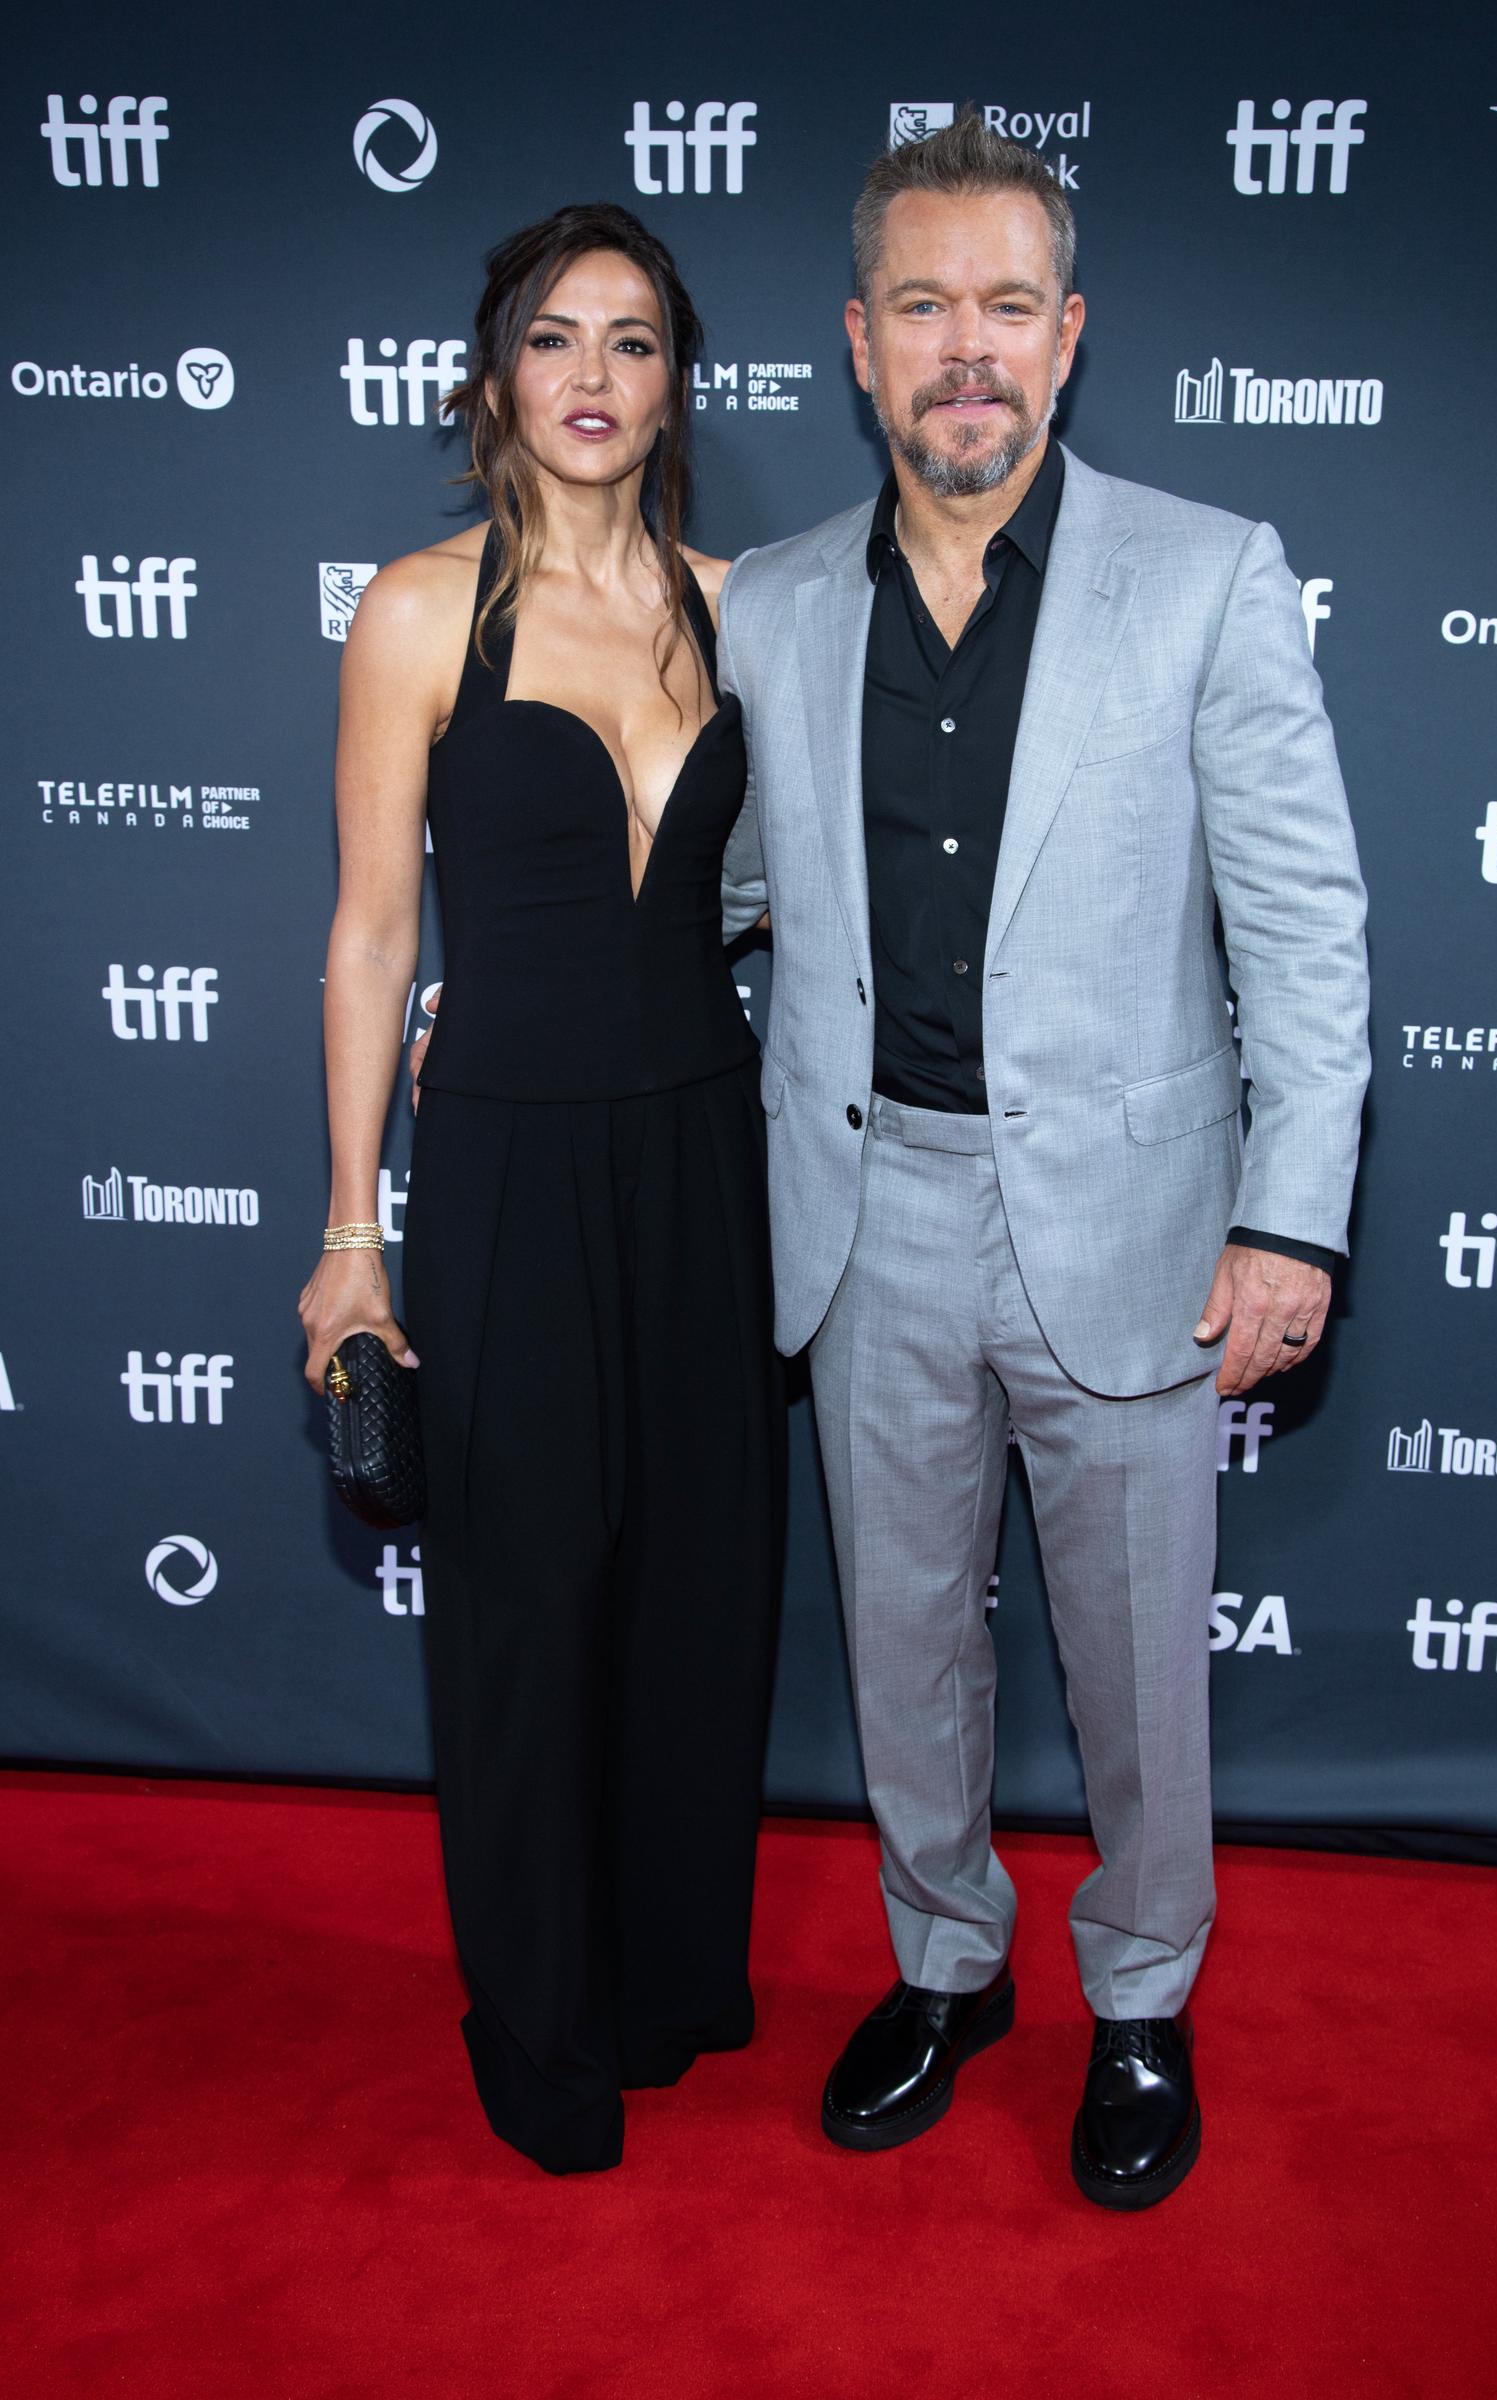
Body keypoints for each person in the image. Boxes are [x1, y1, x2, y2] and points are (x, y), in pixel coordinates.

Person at [715, 115, 1369, 2208]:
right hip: (862, 1205)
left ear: (1067, 337)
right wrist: (515, 987)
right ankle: (943, 1964)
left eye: (1005, 304)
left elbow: (1302, 936)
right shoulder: (775, 609)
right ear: (858, 340)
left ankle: (1144, 2001)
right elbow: (705, 888)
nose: (963, 349)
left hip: (1139, 1225)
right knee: (903, 1640)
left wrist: (1291, 1216)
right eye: (922, 305)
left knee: (1129, 1667)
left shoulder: (1206, 575)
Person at [299, 205, 783, 2177]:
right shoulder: (426, 612)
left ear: (679, 380)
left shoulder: (743, 606)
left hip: (708, 1156)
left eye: (636, 340)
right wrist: (352, 1228)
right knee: (523, 1610)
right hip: (500, 1157)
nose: (593, 375)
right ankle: (541, 2023)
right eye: (555, 337)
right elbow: (361, 937)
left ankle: (666, 1980)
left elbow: (796, 906)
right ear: (497, 370)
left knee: (695, 1597)